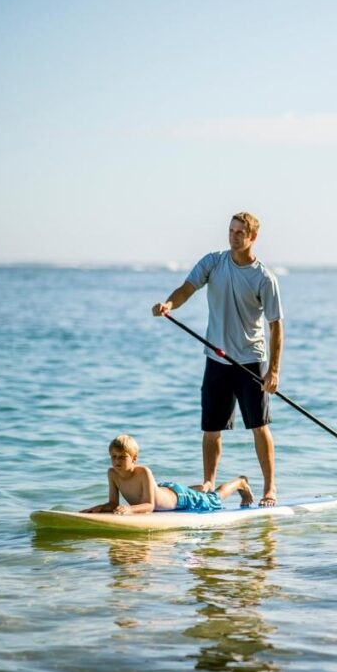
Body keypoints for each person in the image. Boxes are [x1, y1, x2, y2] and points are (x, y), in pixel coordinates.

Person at [152, 211, 284, 507]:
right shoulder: (213, 262)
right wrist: (169, 304)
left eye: (240, 233)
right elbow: (187, 289)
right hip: (217, 359)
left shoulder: (264, 278)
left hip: (250, 361)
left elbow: (276, 326)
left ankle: (270, 488)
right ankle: (209, 481)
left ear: (253, 237)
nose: (233, 236)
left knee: (259, 427)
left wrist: (273, 371)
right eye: (231, 231)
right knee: (211, 429)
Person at [82, 434, 253, 514]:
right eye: (113, 457)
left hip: (180, 497)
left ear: (134, 458)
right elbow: (113, 503)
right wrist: (98, 508)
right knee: (200, 491)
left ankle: (240, 482)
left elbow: (149, 506)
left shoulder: (143, 472)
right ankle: (204, 486)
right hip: (164, 489)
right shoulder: (112, 474)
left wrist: (130, 510)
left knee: (213, 499)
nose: (117, 461)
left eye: (122, 457)